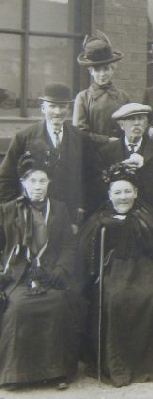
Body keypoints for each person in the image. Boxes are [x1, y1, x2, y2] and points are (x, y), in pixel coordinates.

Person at [80, 163, 153, 387]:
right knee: (115, 298)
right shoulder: (99, 219)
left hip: (146, 268)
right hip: (112, 269)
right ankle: (118, 365)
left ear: (136, 192)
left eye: (127, 191)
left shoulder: (148, 215)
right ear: (109, 194)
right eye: (117, 192)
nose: (123, 197)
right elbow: (88, 255)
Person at [0, 152, 81, 390]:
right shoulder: (7, 210)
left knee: (58, 304)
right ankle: (16, 374)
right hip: (18, 276)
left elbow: (68, 246)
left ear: (49, 183)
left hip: (50, 274)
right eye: (32, 181)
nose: (38, 186)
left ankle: (57, 372)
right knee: (17, 308)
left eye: (42, 181)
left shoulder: (59, 209)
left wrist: (58, 271)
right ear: (23, 183)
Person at [0, 83, 91, 224]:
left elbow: (88, 176)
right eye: (52, 106)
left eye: (62, 106)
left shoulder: (78, 137)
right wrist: (13, 213)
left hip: (68, 218)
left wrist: (81, 207)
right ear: (43, 108)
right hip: (31, 217)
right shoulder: (24, 137)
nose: (57, 112)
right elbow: (6, 179)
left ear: (68, 109)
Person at [91, 103, 153, 210]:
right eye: (131, 119)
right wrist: (119, 169)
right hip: (115, 209)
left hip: (149, 209)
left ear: (146, 123)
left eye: (141, 118)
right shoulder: (107, 152)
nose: (137, 123)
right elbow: (98, 185)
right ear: (122, 125)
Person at [73, 30, 131, 143]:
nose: (102, 74)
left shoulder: (123, 96)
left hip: (119, 151)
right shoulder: (83, 97)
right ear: (91, 71)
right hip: (93, 152)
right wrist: (106, 140)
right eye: (97, 70)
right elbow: (79, 133)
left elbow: (131, 125)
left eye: (106, 69)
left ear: (112, 69)